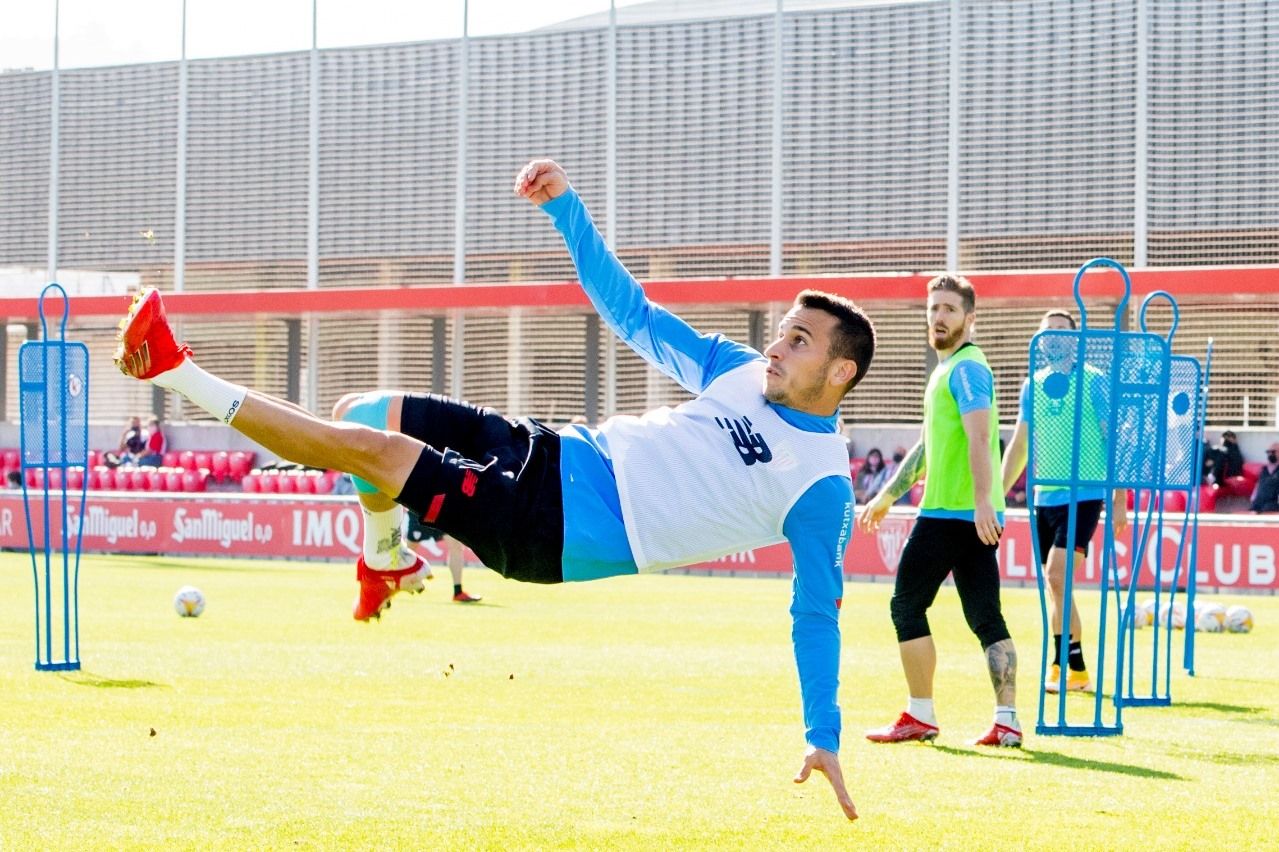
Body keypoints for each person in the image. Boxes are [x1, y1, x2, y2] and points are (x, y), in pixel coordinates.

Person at [112, 158, 875, 821]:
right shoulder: (739, 370)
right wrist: (566, 208)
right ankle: (386, 558)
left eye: (797, 340)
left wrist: (823, 734)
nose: (775, 346)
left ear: (839, 371)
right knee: (361, 410)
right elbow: (631, 313)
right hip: (551, 449)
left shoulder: (820, 486)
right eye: (781, 330)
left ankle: (176, 370)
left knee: (371, 451)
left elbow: (814, 612)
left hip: (551, 528)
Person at [857, 274, 1021, 748]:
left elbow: (980, 438)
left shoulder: (967, 369)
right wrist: (888, 495)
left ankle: (921, 714)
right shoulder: (946, 371)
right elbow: (930, 447)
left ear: (970, 317)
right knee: (986, 618)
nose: (939, 317)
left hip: (952, 514)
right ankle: (1007, 722)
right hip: (964, 514)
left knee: (906, 605)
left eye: (949, 309)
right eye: (933, 309)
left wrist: (985, 501)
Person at [999, 310, 1129, 694]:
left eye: (1062, 330)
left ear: (1075, 338)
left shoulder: (1093, 380)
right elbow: (1020, 443)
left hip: (1084, 493)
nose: (1054, 336)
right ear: (1039, 340)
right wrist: (996, 495)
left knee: (1058, 577)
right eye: (1048, 330)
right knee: (1056, 586)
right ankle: (1073, 670)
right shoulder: (1033, 385)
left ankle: (1066, 665)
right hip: (1045, 496)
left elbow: (1112, 439)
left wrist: (1119, 497)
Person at [403, 513, 483, 603]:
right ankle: (392, 584)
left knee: (456, 545)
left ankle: (458, 592)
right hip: (420, 511)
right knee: (408, 551)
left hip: (442, 511)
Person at [1250, 442, 1279, 513]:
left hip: (1272, 506)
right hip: (1258, 504)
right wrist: (1253, 498)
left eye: (1273, 452)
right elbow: (1258, 484)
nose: (1270, 454)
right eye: (1268, 452)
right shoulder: (1264, 469)